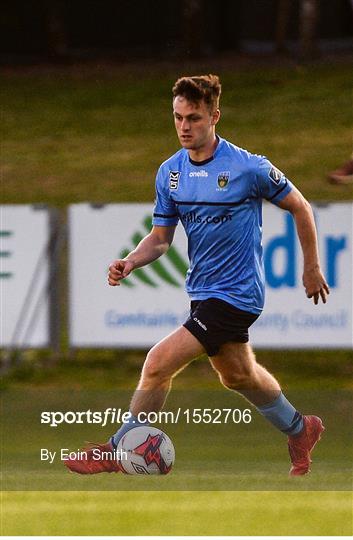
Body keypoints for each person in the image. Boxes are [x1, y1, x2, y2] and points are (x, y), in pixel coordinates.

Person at [65, 74, 329, 476]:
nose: (185, 127)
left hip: (238, 294)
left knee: (158, 362)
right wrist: (131, 261)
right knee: (237, 375)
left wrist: (311, 267)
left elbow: (301, 207)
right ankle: (300, 428)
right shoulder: (170, 173)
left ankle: (119, 449)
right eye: (178, 118)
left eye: (194, 118)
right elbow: (159, 239)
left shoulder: (249, 168)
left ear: (214, 117)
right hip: (204, 292)